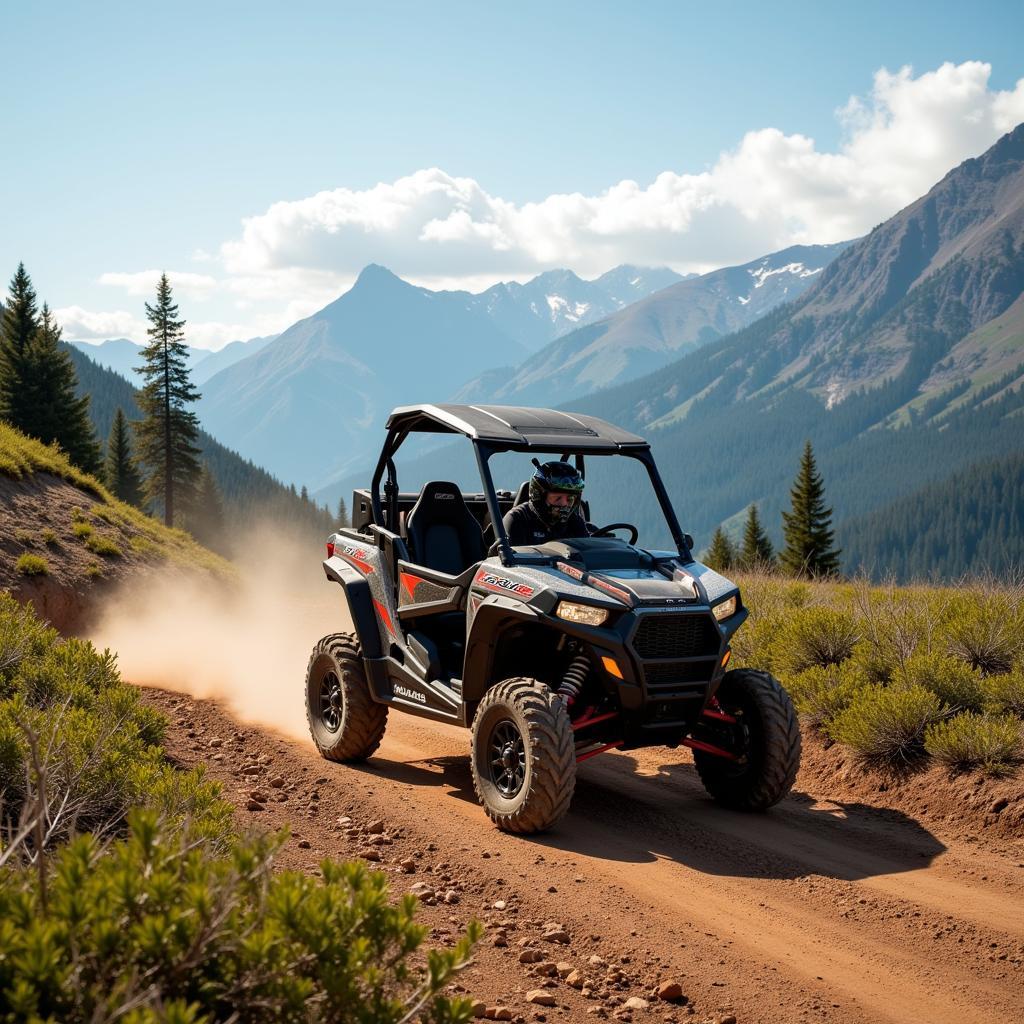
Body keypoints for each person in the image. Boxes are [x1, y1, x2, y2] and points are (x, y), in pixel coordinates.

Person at [502, 460, 592, 546]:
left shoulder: (575, 522)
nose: (564, 504)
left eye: (570, 499)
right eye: (557, 498)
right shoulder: (517, 519)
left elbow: (588, 554)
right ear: (539, 497)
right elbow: (515, 560)